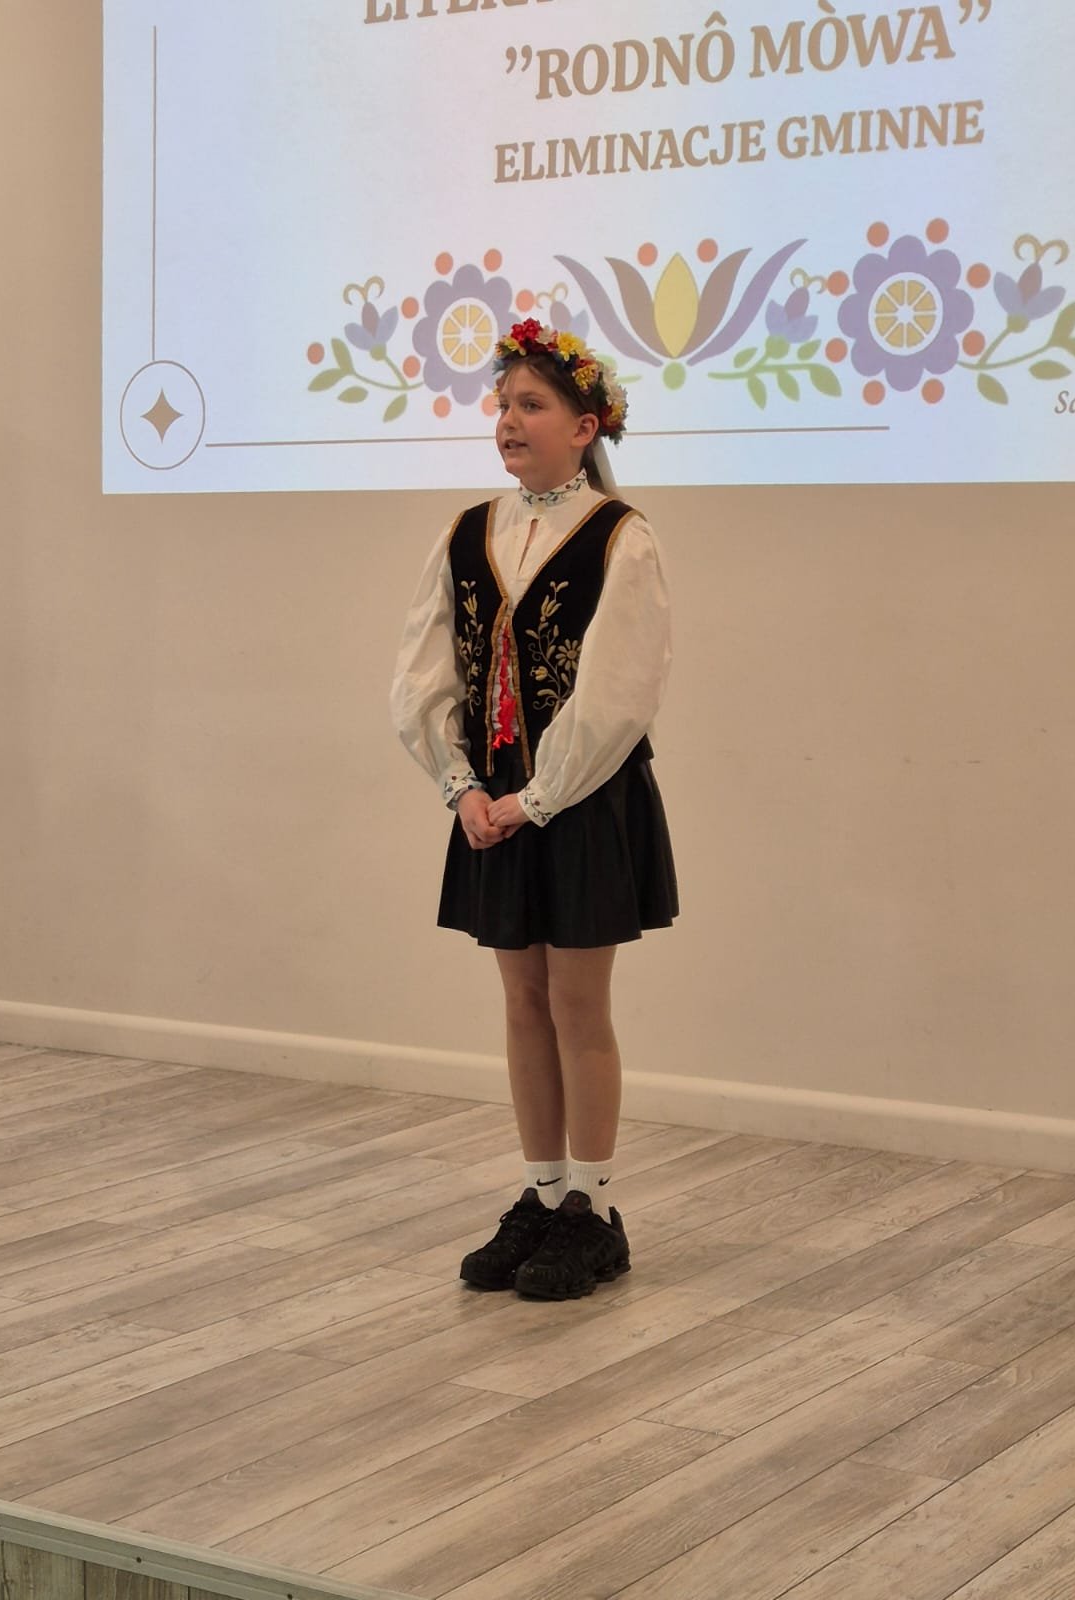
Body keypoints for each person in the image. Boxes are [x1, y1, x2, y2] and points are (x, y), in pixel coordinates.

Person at [390, 318, 678, 1300]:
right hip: (494, 796)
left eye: (532, 404)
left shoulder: (619, 535)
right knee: (520, 999)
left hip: (577, 797)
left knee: (575, 1002)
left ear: (585, 425)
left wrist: (538, 795)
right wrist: (461, 783)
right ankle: (541, 1191)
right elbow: (425, 669)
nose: (508, 420)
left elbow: (619, 690)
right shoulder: (469, 531)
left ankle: (591, 1210)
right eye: (503, 403)